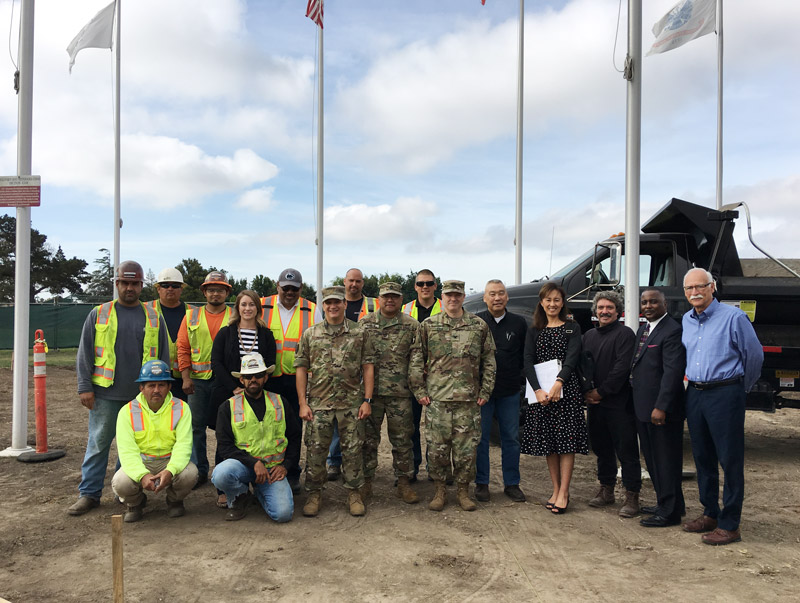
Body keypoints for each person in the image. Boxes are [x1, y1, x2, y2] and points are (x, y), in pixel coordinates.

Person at [69, 261, 170, 516]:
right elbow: (85, 353)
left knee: (131, 448)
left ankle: (123, 491)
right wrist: (85, 387)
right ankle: (89, 494)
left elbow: (163, 357)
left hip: (141, 398)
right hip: (105, 394)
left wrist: (163, 389)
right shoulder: (99, 314)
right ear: (117, 284)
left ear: (141, 286)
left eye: (134, 283)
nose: (129, 288)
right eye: (124, 283)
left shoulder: (153, 317)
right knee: (98, 444)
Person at [681, 268, 763, 545]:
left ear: (712, 287)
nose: (695, 292)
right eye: (690, 288)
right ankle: (710, 513)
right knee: (702, 457)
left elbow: (754, 355)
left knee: (729, 459)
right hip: (695, 393)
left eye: (700, 286)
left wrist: (741, 389)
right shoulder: (686, 320)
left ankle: (730, 524)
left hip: (725, 393)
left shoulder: (734, 317)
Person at [409, 280, 496, 512]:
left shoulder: (478, 326)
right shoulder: (428, 325)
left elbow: (489, 361)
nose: (453, 299)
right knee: (437, 449)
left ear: (464, 296)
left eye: (457, 295)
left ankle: (462, 491)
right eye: (448, 295)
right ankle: (439, 490)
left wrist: (485, 391)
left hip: (468, 401)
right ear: (442, 297)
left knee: (466, 451)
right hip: (438, 400)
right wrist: (419, 391)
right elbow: (417, 359)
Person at [295, 286, 375, 517]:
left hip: (351, 404)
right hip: (319, 404)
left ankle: (354, 494)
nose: (333, 306)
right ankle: (314, 494)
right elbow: (301, 369)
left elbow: (368, 367)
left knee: (352, 451)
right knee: (316, 451)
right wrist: (303, 402)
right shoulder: (311, 334)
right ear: (323, 305)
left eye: (337, 302)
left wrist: (367, 399)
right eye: (328, 302)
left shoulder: (359, 333)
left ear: (343, 304)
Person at [521, 283, 588, 515]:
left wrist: (559, 383)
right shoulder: (534, 331)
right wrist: (538, 390)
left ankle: (565, 492)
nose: (552, 304)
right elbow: (528, 361)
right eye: (548, 300)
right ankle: (556, 488)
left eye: (556, 300)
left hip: (566, 394)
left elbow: (572, 358)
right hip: (542, 396)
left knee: (566, 443)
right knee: (549, 443)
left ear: (563, 302)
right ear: (541, 302)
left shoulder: (572, 328)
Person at [211, 290, 277, 507]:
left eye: (252, 305)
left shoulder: (265, 334)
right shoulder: (226, 333)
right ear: (237, 308)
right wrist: (235, 388)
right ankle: (226, 489)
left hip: (257, 394)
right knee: (228, 439)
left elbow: (269, 364)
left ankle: (262, 481)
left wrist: (254, 385)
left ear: (258, 308)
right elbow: (217, 363)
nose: (247, 309)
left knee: (258, 437)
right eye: (243, 305)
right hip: (229, 394)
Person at [111, 360, 198, 522]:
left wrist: (170, 470)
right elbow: (127, 451)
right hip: (142, 461)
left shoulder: (181, 408)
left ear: (169, 387)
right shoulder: (127, 412)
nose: (156, 390)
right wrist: (142, 475)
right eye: (151, 385)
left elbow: (183, 446)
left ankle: (174, 501)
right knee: (120, 482)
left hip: (169, 459)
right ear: (141, 388)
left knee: (189, 474)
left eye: (161, 385)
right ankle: (135, 504)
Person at [211, 353, 294, 523]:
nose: (253, 380)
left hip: (272, 469)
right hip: (243, 467)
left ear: (265, 377)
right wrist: (254, 463)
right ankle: (240, 495)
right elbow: (224, 447)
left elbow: (294, 436)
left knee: (283, 514)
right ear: (241, 380)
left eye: (258, 375)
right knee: (220, 474)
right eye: (248, 376)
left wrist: (285, 466)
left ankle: (260, 492)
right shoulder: (228, 407)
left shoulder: (280, 402)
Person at [360, 281, 421, 504]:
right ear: (379, 298)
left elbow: (417, 359)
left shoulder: (412, 325)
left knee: (403, 440)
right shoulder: (365, 324)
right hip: (371, 394)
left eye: (394, 296)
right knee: (367, 440)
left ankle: (404, 482)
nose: (390, 300)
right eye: (386, 296)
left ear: (401, 299)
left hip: (401, 394)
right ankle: (366, 482)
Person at [630, 289, 687, 528]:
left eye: (654, 301)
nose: (648, 305)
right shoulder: (644, 329)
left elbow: (672, 373)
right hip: (643, 407)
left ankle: (669, 513)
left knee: (666, 460)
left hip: (661, 411)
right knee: (653, 459)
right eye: (644, 302)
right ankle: (670, 503)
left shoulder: (672, 331)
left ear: (665, 304)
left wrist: (661, 407)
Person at [583, 290, 641, 518]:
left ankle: (632, 495)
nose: (604, 311)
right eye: (601, 308)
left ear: (618, 311)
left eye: (609, 308)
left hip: (619, 404)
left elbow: (621, 368)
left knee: (626, 451)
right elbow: (583, 366)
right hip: (595, 404)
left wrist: (601, 392)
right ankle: (606, 489)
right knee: (601, 448)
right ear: (595, 311)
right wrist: (587, 391)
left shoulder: (625, 334)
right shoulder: (589, 336)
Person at [260, 269, 317, 494]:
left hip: (297, 379)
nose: (290, 293)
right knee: (267, 428)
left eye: (294, 289)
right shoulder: (262, 306)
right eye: (286, 288)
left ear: (301, 288)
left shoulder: (311, 310)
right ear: (277, 286)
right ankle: (263, 471)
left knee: (293, 429)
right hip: (268, 379)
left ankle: (292, 473)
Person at [176, 271, 231, 490]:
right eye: (211, 289)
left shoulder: (235, 316)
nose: (215, 293)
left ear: (226, 292)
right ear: (204, 292)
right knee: (196, 428)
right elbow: (183, 347)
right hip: (197, 382)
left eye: (219, 289)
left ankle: (221, 469)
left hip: (224, 382)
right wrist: (186, 377)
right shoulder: (191, 316)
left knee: (223, 428)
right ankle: (199, 471)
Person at [474, 280, 527, 503]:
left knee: (511, 439)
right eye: (492, 294)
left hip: (510, 391)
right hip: (482, 394)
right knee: (481, 439)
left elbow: (526, 356)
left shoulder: (519, 323)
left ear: (507, 297)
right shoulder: (476, 323)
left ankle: (512, 483)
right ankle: (482, 483)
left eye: (501, 293)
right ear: (484, 298)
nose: (497, 298)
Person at [326, 268, 380, 481]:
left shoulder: (372, 305)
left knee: (356, 421)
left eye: (358, 281)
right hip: (338, 371)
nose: (354, 285)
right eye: (351, 281)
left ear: (363, 283)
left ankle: (356, 464)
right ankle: (334, 461)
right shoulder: (333, 304)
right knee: (336, 420)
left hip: (363, 367)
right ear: (344, 281)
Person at [402, 269, 442, 481]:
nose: (424, 287)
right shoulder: (405, 309)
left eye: (429, 283)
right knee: (412, 427)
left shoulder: (446, 307)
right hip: (414, 378)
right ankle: (413, 468)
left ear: (436, 285)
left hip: (440, 379)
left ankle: (437, 470)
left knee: (438, 429)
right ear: (415, 286)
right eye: (420, 284)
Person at [146, 267, 189, 401]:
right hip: (153, 376)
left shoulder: (193, 313)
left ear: (181, 289)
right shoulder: (145, 310)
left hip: (184, 378)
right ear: (158, 289)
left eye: (175, 286)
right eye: (165, 285)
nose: (170, 289)